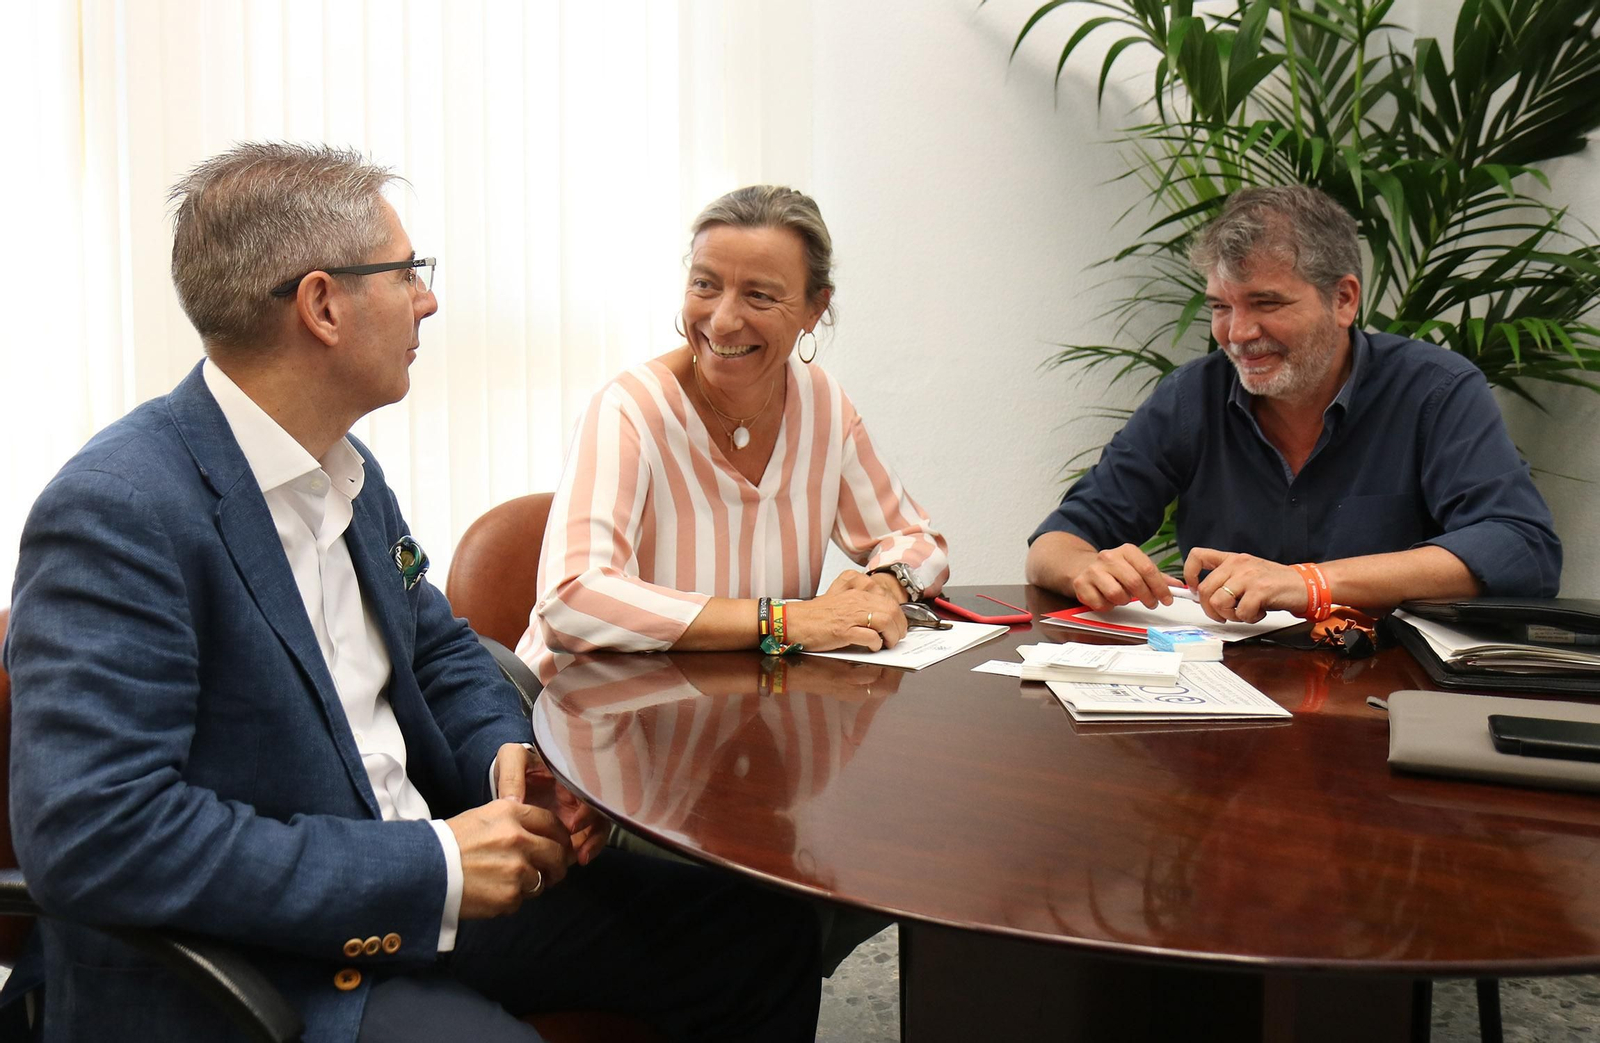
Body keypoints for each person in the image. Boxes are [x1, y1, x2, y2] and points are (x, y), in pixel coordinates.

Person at [3, 143, 820, 1042]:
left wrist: (504, 754)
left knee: (761, 930)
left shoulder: (347, 471)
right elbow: (95, 834)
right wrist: (430, 864)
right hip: (268, 962)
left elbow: (439, 649)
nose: (427, 298)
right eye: (406, 273)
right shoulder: (121, 510)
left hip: (419, 896)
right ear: (322, 305)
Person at [1026, 184, 1561, 623]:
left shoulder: (1436, 390)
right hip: (1222, 695)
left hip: (1387, 694)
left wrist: (1310, 582)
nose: (1237, 334)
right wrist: (1086, 570)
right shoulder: (1193, 395)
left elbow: (1520, 547)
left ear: (1344, 299)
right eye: (1220, 306)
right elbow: (1054, 542)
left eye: (1266, 303)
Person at [518, 185, 949, 683]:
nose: (722, 321)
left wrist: (883, 585)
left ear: (814, 309)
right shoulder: (629, 408)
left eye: (759, 295)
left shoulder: (823, 405)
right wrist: (781, 620)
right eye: (705, 285)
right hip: (588, 716)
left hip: (742, 708)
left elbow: (915, 539)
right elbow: (571, 600)